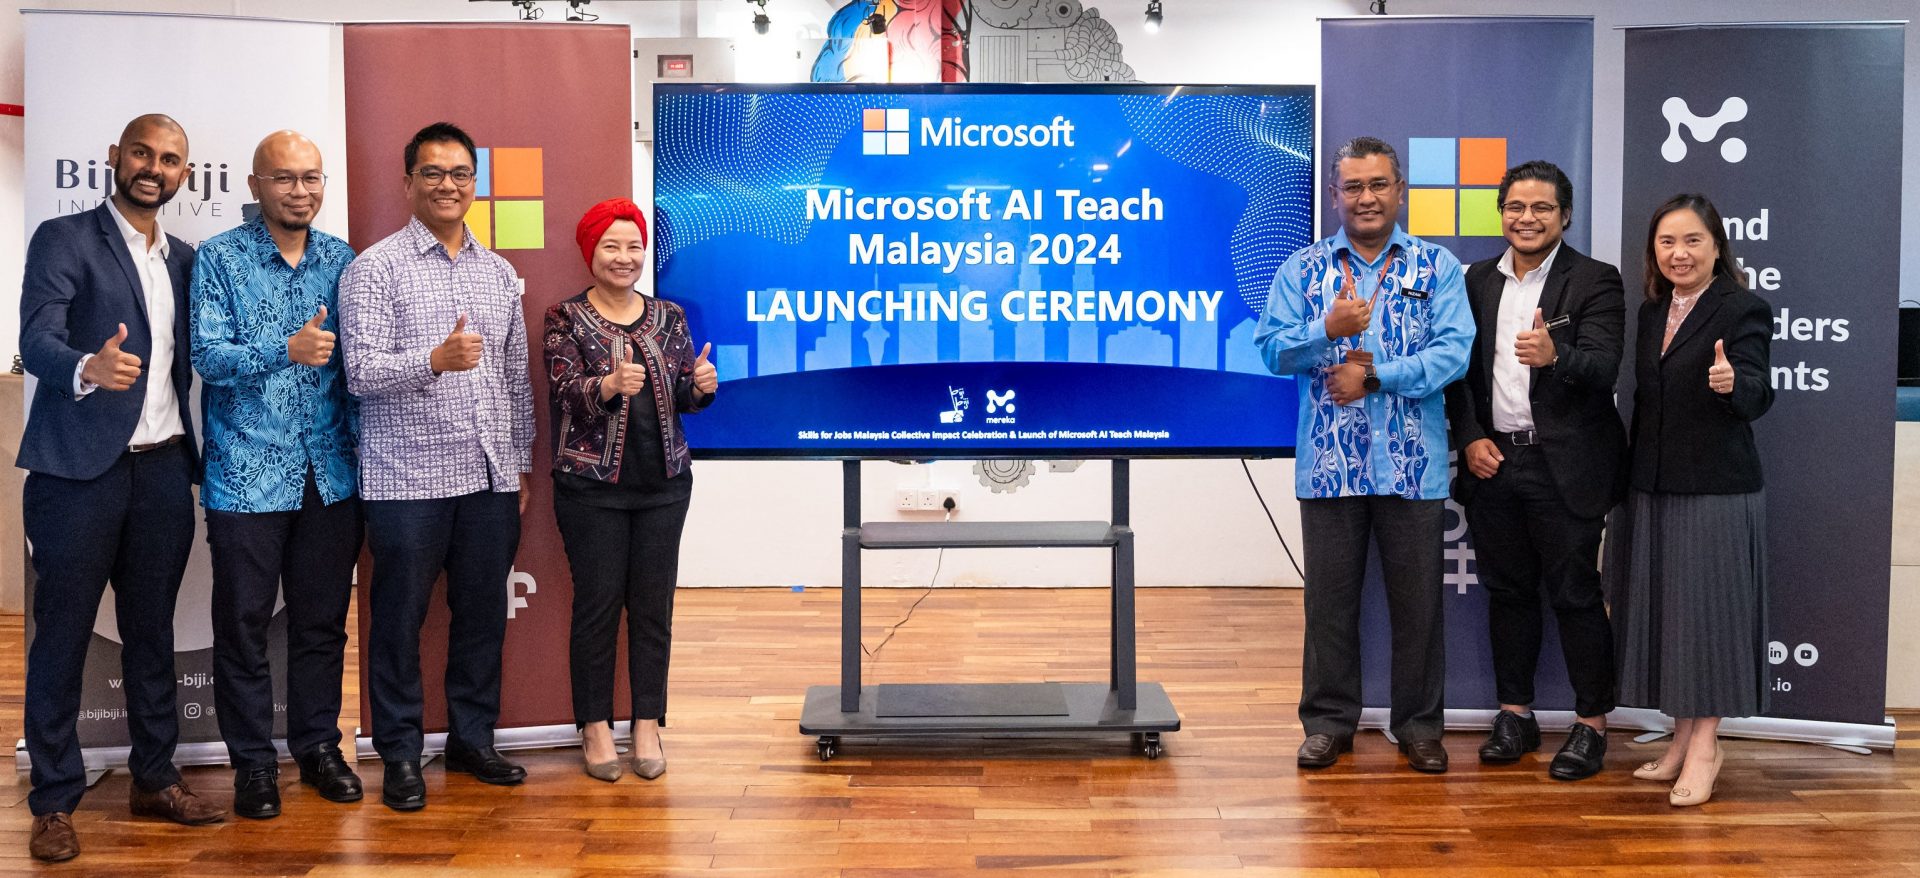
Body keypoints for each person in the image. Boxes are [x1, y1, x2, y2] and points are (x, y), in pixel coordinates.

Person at [18, 113, 224, 862]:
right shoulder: (64, 239)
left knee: (152, 634)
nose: (154, 167)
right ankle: (53, 800)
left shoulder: (188, 259)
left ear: (182, 176)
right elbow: (34, 338)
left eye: (170, 159)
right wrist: (85, 368)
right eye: (142, 152)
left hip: (163, 470)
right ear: (115, 157)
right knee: (62, 638)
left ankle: (155, 776)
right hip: (76, 472)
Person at [1255, 136, 1473, 774]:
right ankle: (1328, 725)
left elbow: (1454, 354)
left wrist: (1377, 377)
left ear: (1399, 190)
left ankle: (1418, 728)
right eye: (1353, 187)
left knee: (1418, 608)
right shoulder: (1303, 269)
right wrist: (1327, 329)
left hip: (1414, 468)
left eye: (1378, 184)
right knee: (1329, 606)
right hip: (1329, 468)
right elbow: (1270, 351)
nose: (1367, 197)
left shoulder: (1438, 268)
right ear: (1335, 196)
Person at [339, 121, 535, 811]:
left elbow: (515, 378)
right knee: (397, 621)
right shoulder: (375, 268)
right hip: (406, 482)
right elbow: (358, 372)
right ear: (408, 182)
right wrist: (433, 361)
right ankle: (398, 753)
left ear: (474, 183)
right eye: (432, 173)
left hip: (488, 477)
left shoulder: (498, 271)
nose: (447, 184)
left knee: (482, 616)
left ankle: (472, 740)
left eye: (459, 173)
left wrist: (521, 465)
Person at [190, 130, 363, 819]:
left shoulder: (342, 261)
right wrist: (282, 349)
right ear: (256, 185)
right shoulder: (220, 258)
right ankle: (253, 766)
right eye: (286, 179)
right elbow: (207, 354)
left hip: (330, 476)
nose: (301, 191)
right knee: (243, 626)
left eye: (312, 178)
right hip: (246, 475)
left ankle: (318, 747)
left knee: (322, 625)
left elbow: (358, 369)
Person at [1443, 160, 1627, 780]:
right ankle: (1513, 716)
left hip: (1567, 467)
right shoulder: (1472, 281)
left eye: (1542, 208)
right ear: (1501, 214)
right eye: (1516, 207)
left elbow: (1604, 368)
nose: (1527, 218)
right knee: (1508, 593)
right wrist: (1468, 437)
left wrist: (1558, 356)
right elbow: (1458, 375)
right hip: (1494, 464)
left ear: (1565, 215)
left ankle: (1591, 725)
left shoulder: (1596, 281)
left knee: (1576, 595)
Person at [1606, 193, 1773, 806]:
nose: (1680, 253)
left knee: (1706, 621)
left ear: (1717, 246)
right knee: (1671, 621)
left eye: (1693, 241)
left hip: (1715, 490)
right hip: (1650, 487)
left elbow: (1758, 391)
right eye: (1667, 242)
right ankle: (1679, 741)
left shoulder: (1744, 307)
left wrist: (1735, 385)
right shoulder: (1653, 312)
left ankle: (1706, 747)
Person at [543, 198, 717, 782]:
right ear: (590, 252)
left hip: (665, 484)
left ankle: (646, 723)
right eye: (611, 246)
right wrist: (609, 386)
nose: (624, 257)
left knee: (653, 608)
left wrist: (702, 387)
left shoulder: (669, 316)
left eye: (633, 246)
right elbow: (565, 392)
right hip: (590, 488)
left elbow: (682, 399)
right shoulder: (563, 318)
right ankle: (593, 728)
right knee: (596, 608)